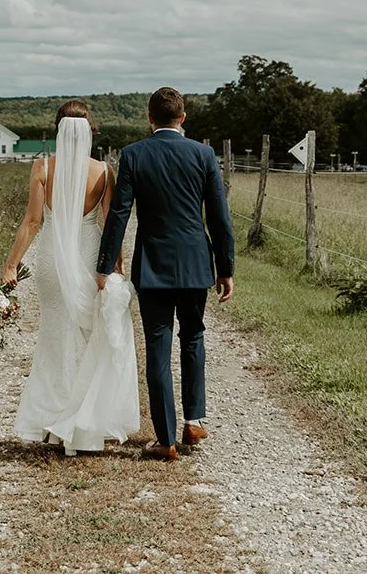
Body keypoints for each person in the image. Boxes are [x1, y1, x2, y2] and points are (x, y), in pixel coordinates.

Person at [97, 87, 234, 461]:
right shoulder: (204, 154)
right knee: (193, 337)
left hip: (153, 266)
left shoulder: (135, 154)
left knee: (157, 347)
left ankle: (165, 439)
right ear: (183, 117)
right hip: (195, 264)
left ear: (149, 117)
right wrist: (226, 268)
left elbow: (119, 214)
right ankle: (193, 419)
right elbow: (219, 218)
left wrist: (105, 264)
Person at [0, 100, 140, 454]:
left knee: (55, 334)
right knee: (88, 335)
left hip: (52, 256)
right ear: (90, 130)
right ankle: (81, 421)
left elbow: (32, 222)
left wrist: (10, 264)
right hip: (90, 253)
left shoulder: (43, 167)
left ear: (59, 129)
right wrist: (115, 267)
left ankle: (53, 419)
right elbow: (109, 224)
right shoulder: (105, 171)